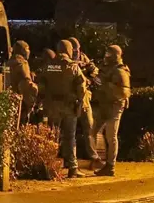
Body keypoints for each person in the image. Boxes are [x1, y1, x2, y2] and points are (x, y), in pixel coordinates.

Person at [44, 40, 87, 178]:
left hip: (52, 106)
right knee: (70, 137)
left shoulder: (49, 66)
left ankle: (49, 167)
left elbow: (41, 85)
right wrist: (79, 100)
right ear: (69, 50)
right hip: (69, 107)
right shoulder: (73, 67)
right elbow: (81, 87)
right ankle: (73, 168)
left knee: (52, 136)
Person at [91, 45, 131, 177]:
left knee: (111, 136)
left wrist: (105, 84)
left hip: (114, 106)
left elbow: (124, 92)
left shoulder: (120, 71)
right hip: (105, 105)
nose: (106, 56)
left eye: (109, 54)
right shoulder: (108, 68)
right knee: (93, 132)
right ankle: (97, 161)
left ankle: (110, 166)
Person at [67, 37, 101, 169]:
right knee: (69, 132)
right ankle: (68, 159)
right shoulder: (65, 61)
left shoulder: (84, 58)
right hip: (70, 100)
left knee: (89, 127)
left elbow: (97, 76)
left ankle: (94, 158)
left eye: (77, 50)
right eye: (73, 50)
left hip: (84, 98)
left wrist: (90, 76)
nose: (75, 52)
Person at [6, 40, 38, 126]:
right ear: (24, 51)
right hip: (20, 102)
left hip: (8, 99)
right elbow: (26, 84)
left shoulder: (8, 63)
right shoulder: (22, 63)